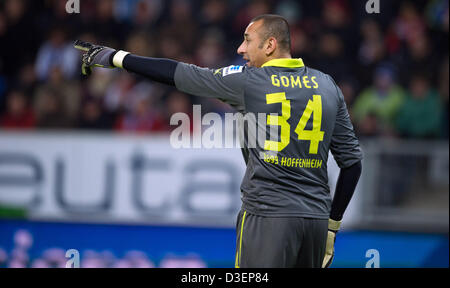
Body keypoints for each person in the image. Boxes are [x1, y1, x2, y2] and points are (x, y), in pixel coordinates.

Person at [74, 14, 363, 268]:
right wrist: (331, 227)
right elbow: (352, 164)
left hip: (268, 217)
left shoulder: (249, 80)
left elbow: (178, 74)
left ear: (270, 45)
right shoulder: (327, 84)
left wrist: (116, 57)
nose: (240, 49)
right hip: (315, 222)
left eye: (247, 40)